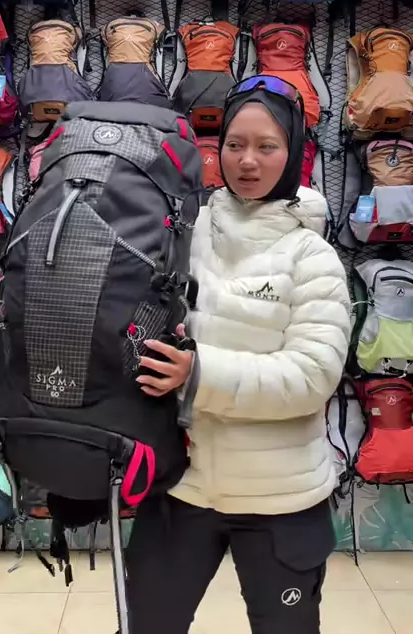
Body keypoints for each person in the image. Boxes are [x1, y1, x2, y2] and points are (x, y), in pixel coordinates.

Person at [125, 75, 351, 634]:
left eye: (267, 146)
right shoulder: (185, 231)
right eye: (234, 144)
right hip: (181, 484)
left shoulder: (313, 257)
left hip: (280, 497)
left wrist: (198, 373)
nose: (247, 161)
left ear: (293, 153)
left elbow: (312, 376)